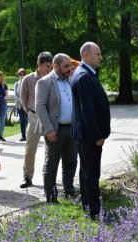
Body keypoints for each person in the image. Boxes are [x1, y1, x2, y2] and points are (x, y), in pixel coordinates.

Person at [71, 42, 110, 220]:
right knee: (91, 173)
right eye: (98, 54)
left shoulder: (84, 74)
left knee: (86, 171)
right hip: (90, 136)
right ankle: (95, 211)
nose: (101, 57)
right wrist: (97, 135)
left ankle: (87, 205)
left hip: (85, 135)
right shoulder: (84, 76)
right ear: (86, 55)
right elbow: (87, 109)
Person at [36, 53, 77, 203]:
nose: (69, 69)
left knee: (71, 161)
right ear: (55, 66)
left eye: (70, 66)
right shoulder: (45, 82)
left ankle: (69, 191)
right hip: (55, 130)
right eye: (66, 66)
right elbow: (39, 106)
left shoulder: (70, 82)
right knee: (52, 163)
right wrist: (49, 129)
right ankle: (51, 196)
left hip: (71, 129)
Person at [20, 51, 53, 189]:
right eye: (47, 66)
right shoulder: (28, 79)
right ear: (39, 64)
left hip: (50, 117)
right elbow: (23, 98)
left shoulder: (53, 78)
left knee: (51, 149)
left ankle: (49, 177)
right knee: (30, 149)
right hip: (34, 116)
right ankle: (27, 177)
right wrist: (30, 113)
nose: (49, 69)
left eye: (51, 66)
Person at [13, 68, 28, 141]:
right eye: (20, 74)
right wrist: (22, 101)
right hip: (19, 105)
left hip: (27, 105)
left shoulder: (28, 83)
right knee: (22, 120)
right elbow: (15, 95)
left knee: (27, 120)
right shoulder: (16, 84)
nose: (21, 75)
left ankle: (28, 134)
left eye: (23, 74)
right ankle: (23, 135)